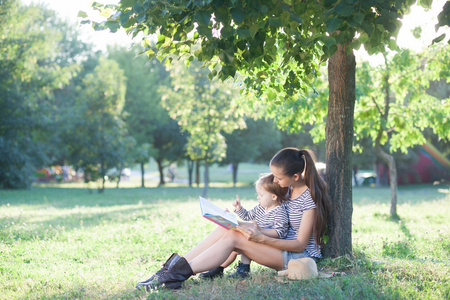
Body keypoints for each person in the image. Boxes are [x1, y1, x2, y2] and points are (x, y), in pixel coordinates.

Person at [135, 147, 331, 290]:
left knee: (233, 238)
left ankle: (173, 277)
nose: (275, 181)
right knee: (227, 228)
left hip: (298, 258)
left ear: (296, 176)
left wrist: (262, 238)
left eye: (278, 178)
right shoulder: (286, 188)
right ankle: (169, 271)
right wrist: (236, 220)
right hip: (278, 246)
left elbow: (298, 245)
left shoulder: (308, 201)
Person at [198, 173, 290, 279]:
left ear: (274, 196)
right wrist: (239, 208)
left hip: (270, 243)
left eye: (261, 195)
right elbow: (247, 216)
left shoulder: (279, 212)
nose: (258, 197)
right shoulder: (261, 207)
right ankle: (219, 268)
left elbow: (280, 233)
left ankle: (242, 269)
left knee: (243, 240)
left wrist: (260, 231)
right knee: (235, 244)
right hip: (258, 237)